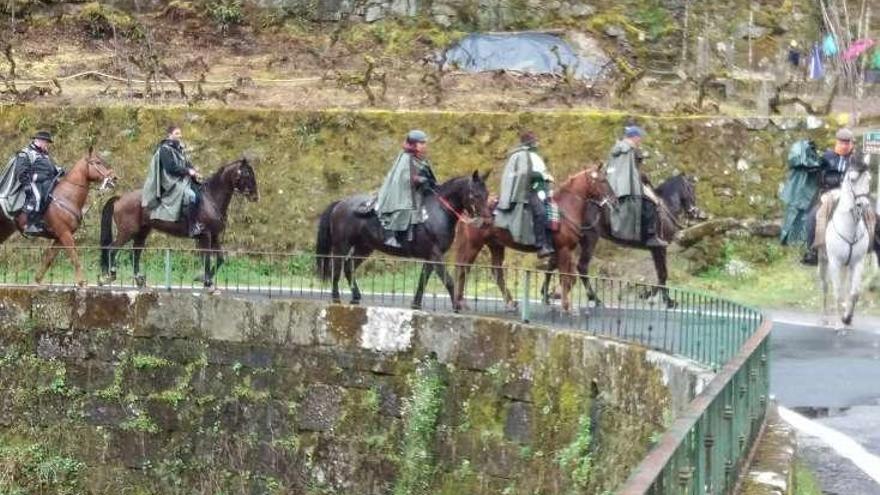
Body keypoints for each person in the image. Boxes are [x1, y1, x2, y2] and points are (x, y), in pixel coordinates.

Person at [494, 131, 555, 257]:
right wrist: (542, 175)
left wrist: (546, 178)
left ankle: (550, 242)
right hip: (528, 192)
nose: (536, 142)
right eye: (534, 140)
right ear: (529, 142)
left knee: (553, 212)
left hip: (541, 191)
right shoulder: (521, 156)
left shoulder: (535, 156)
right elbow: (524, 174)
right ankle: (540, 245)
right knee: (541, 213)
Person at [801, 127, 856, 265]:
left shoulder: (855, 159)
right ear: (836, 142)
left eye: (847, 143)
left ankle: (869, 246)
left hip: (850, 194)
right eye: (841, 142)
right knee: (813, 216)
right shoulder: (827, 157)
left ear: (851, 144)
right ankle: (814, 251)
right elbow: (815, 169)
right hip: (829, 193)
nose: (844, 146)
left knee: (868, 212)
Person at [375, 129, 438, 247]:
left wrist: (430, 181)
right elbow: (404, 177)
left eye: (425, 143)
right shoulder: (405, 158)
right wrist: (419, 179)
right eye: (422, 143)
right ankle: (391, 235)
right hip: (402, 191)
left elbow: (427, 173)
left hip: (418, 190)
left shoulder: (420, 158)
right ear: (414, 145)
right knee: (404, 208)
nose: (425, 146)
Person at [606, 125, 666, 247]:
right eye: (639, 137)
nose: (640, 140)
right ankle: (650, 236)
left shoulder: (616, 148)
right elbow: (634, 169)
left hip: (613, 185)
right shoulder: (630, 149)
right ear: (634, 137)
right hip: (629, 185)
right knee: (652, 202)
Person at [141, 125, 204, 237]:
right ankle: (191, 227)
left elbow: (186, 163)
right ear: (169, 135)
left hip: (182, 178)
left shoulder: (178, 148)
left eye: (180, 133)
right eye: (177, 133)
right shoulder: (164, 149)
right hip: (171, 181)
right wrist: (188, 171)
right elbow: (171, 168)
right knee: (192, 196)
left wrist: (194, 171)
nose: (180, 136)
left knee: (200, 192)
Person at [13, 131, 65, 234]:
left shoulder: (44, 155)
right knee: (37, 198)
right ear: (39, 141)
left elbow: (51, 168)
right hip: (32, 183)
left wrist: (60, 170)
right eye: (46, 142)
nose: (47, 145)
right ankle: (30, 224)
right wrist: (28, 183)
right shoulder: (25, 153)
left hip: (48, 182)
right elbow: (21, 172)